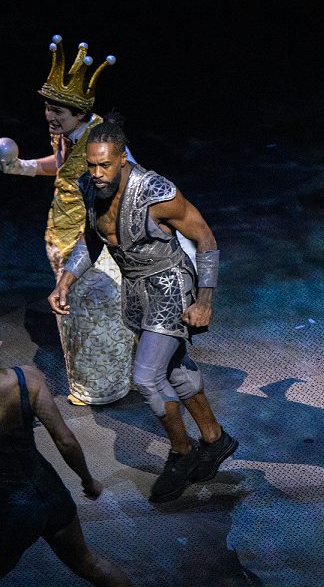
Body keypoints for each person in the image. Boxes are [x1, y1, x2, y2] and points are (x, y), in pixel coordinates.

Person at [48, 117, 238, 503]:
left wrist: (204, 300)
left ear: (123, 159)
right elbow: (92, 239)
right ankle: (215, 439)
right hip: (135, 290)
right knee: (176, 370)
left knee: (148, 377)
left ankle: (182, 453)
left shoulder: (157, 192)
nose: (97, 174)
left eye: (105, 165)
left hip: (171, 285)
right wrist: (66, 280)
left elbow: (205, 237)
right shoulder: (88, 186)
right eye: (92, 165)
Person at [1, 35, 135, 406]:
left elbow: (128, 184)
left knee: (96, 314)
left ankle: (107, 387)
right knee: (74, 315)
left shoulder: (101, 143)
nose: (50, 116)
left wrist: (106, 235)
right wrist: (22, 166)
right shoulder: (66, 133)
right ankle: (94, 383)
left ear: (80, 114)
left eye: (58, 111)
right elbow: (63, 169)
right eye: (48, 107)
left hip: (93, 241)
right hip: (62, 236)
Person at [0, 363, 132, 585]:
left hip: (10, 509)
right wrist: (88, 481)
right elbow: (65, 441)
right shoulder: (27, 379)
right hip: (51, 492)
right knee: (89, 563)